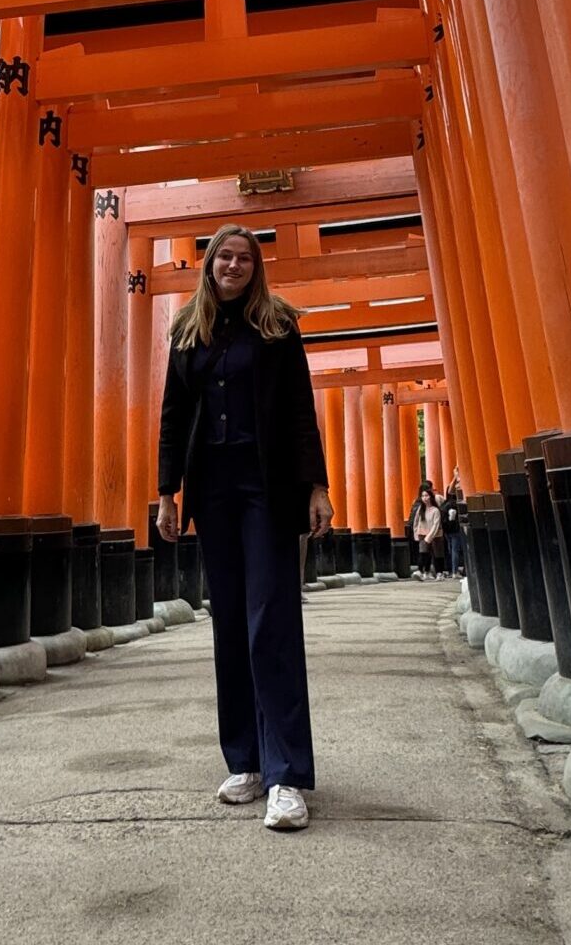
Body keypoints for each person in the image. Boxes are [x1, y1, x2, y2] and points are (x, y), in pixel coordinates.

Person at [155, 224, 334, 832]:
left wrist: (318, 487)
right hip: (213, 489)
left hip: (267, 488)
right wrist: (166, 494)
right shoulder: (186, 331)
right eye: (224, 257)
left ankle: (287, 775)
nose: (234, 266)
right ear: (208, 265)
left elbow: (300, 410)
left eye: (245, 259)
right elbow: (173, 416)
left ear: (257, 269)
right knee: (229, 621)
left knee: (271, 620)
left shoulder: (277, 327)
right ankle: (247, 761)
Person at [414, 487, 445, 580]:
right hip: (423, 533)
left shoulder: (435, 510)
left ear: (431, 497)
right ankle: (420, 571)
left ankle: (440, 573)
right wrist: (416, 533)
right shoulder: (421, 509)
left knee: (437, 554)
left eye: (426, 495)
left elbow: (436, 525)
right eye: (423, 496)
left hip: (436, 535)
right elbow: (416, 521)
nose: (424, 498)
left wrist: (429, 537)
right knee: (423, 552)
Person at [443, 468, 463, 577]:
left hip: (447, 528)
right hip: (455, 527)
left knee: (451, 549)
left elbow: (449, 490)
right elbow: (451, 490)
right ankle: (455, 571)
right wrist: (456, 476)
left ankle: (452, 570)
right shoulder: (456, 501)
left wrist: (456, 476)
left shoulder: (447, 503)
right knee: (455, 549)